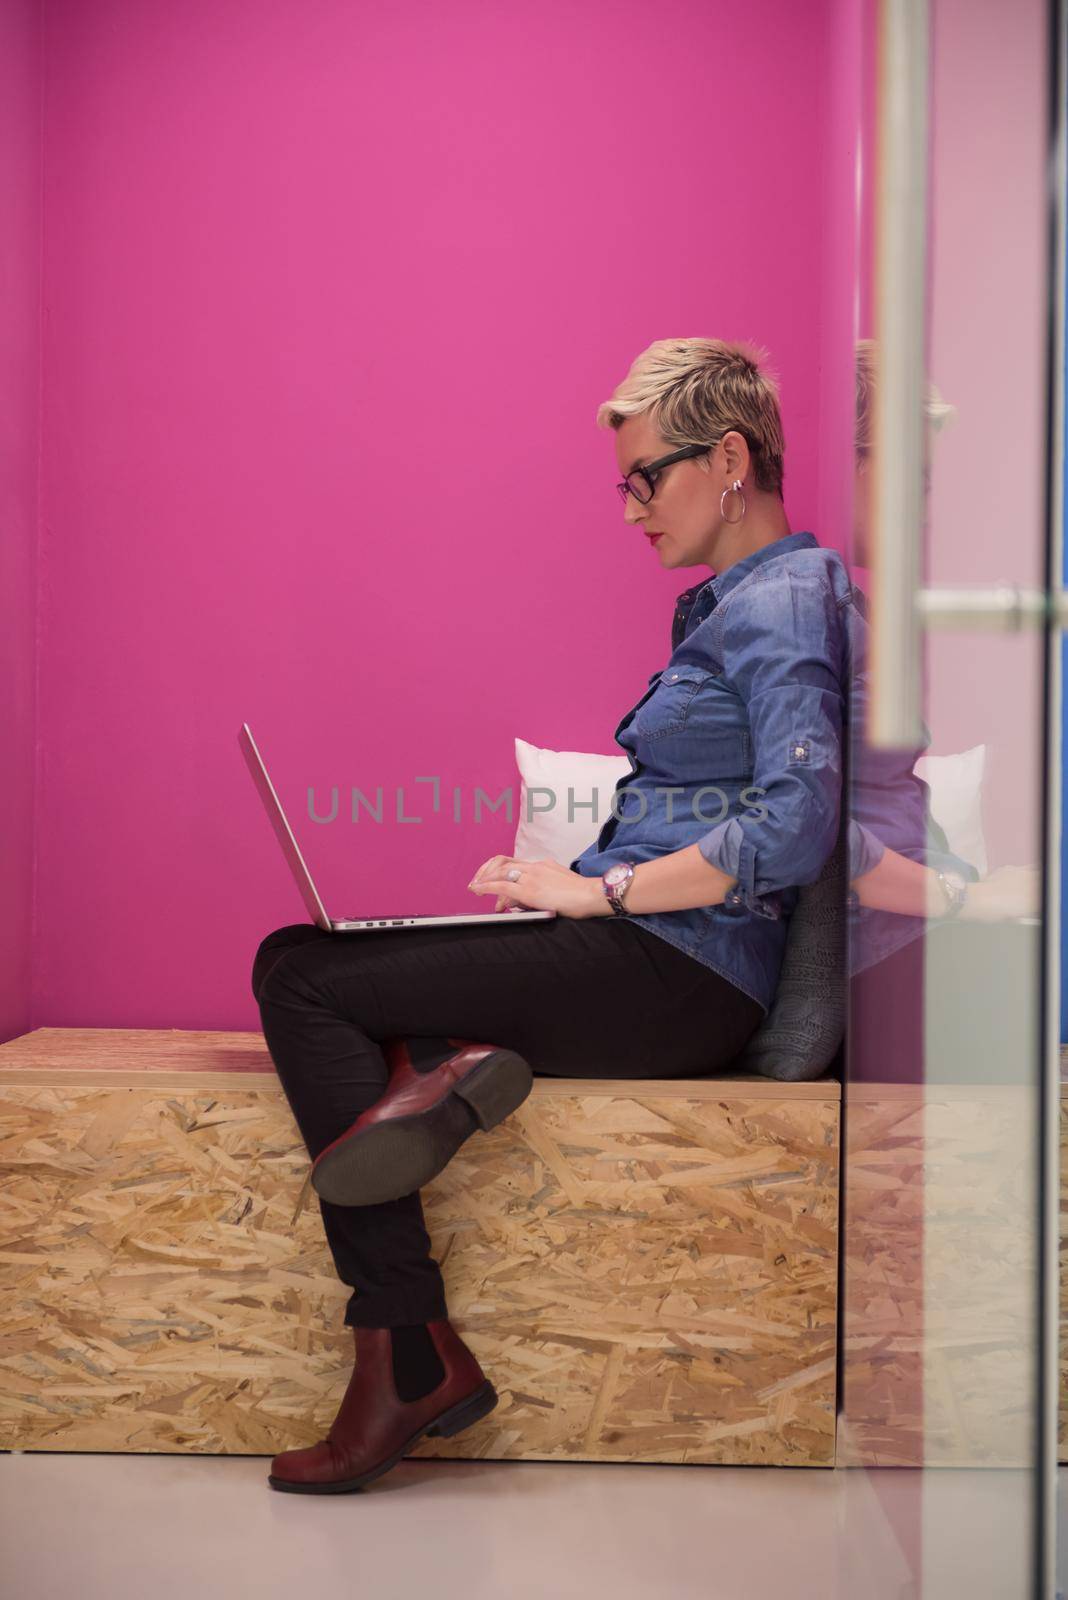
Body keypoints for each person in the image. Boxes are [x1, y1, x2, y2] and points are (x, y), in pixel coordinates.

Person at [252, 337, 854, 1495]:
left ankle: (408, 1349)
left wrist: (599, 888)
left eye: (647, 476)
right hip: (649, 957)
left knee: (300, 976)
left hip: (679, 972)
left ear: (729, 458)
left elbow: (797, 820)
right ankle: (439, 1064)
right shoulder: (739, 603)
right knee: (311, 958)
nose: (629, 507)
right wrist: (566, 884)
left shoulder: (787, 600)